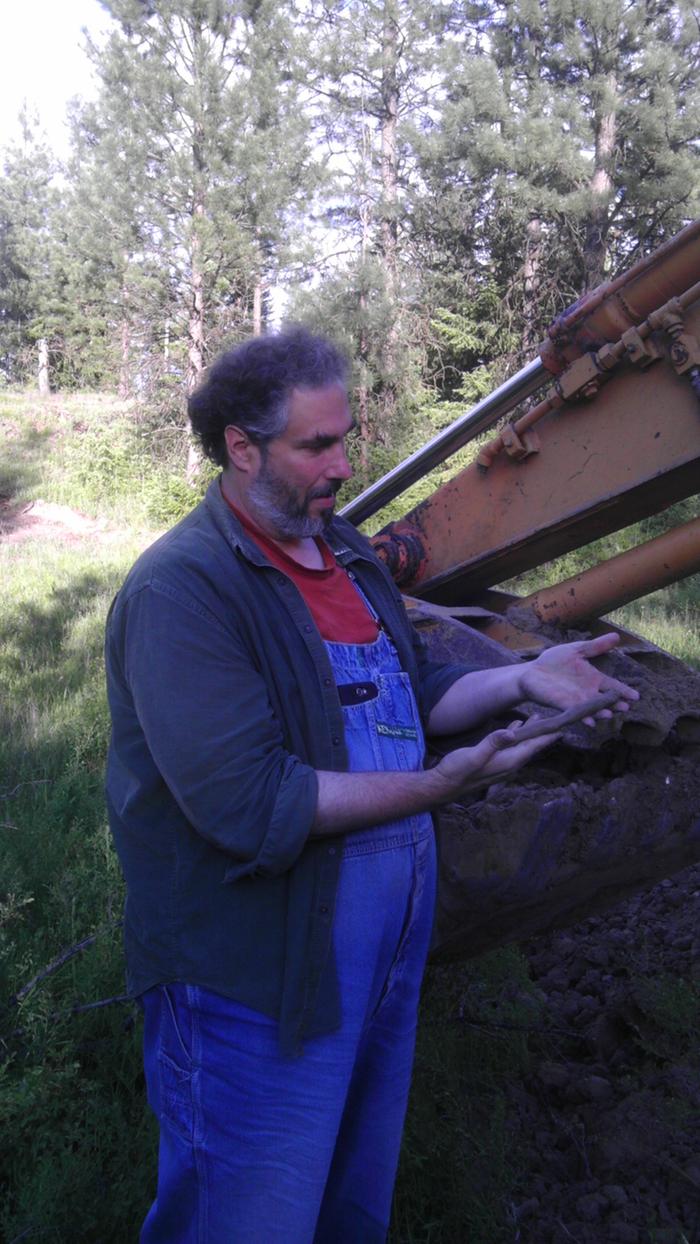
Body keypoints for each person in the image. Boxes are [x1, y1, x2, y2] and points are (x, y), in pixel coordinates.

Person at [105, 326, 638, 1243]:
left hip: (380, 969)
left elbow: (412, 694)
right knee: (246, 1221)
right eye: (316, 446)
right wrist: (442, 786)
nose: (344, 466)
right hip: (256, 988)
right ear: (241, 447)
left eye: (345, 439)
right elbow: (250, 803)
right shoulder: (183, 592)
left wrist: (523, 679)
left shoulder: (345, 555)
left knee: (349, 1211)